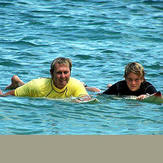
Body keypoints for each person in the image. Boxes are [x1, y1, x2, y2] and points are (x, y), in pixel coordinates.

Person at [0, 57, 91, 102]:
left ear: (70, 72)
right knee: (26, 89)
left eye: (66, 72)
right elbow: (8, 95)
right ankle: (17, 83)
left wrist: (80, 101)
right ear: (51, 73)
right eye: (59, 73)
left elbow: (87, 97)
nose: (63, 76)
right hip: (37, 87)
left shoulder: (76, 84)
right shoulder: (36, 85)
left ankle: (18, 82)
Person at [85, 62, 157, 100]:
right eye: (130, 79)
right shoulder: (119, 86)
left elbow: (158, 97)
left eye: (136, 80)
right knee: (98, 90)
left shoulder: (147, 87)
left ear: (142, 79)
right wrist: (87, 98)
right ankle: (85, 86)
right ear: (125, 78)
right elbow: (102, 96)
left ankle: (110, 85)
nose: (133, 83)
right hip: (116, 90)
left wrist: (147, 96)